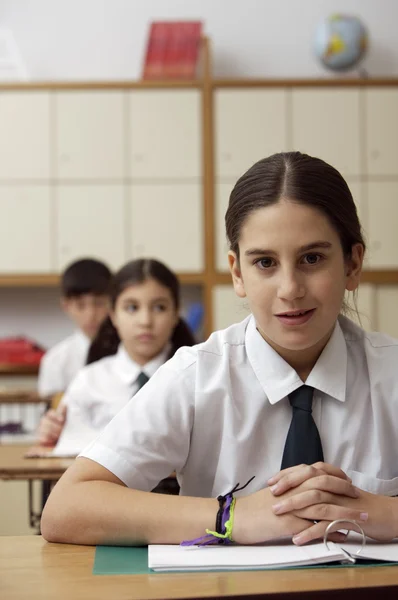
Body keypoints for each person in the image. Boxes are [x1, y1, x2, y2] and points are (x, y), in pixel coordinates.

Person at [42, 151, 398, 548]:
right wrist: (231, 516)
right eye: (265, 263)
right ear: (237, 273)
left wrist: (387, 513)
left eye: (311, 258)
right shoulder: (196, 376)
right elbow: (65, 509)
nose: (289, 289)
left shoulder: (391, 372)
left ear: (352, 263)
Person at [37, 258, 195, 457]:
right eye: (131, 308)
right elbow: (68, 448)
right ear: (112, 314)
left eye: (159, 308)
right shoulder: (88, 381)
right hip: (102, 486)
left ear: (176, 313)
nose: (145, 321)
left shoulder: (198, 377)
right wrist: (54, 433)